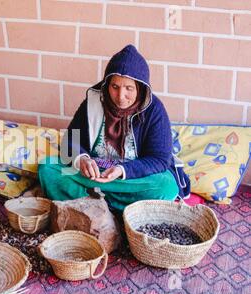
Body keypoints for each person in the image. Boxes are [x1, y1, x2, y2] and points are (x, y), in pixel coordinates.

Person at [38, 45, 190, 212]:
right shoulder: (93, 102)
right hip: (95, 174)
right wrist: (81, 159)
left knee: (166, 186)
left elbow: (160, 159)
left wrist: (122, 170)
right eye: (115, 87)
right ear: (106, 84)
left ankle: (93, 203)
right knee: (48, 168)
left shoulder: (154, 110)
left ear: (140, 88)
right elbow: (71, 139)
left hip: (131, 178)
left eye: (129, 88)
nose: (120, 96)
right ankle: (122, 209)